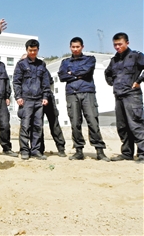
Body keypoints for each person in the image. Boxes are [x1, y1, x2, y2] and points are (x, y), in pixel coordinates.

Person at [58, 37, 109, 162]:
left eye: (78, 47)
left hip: (87, 93)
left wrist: (71, 74)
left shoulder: (90, 59)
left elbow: (87, 71)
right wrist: (76, 74)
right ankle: (78, 150)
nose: (75, 49)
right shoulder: (65, 62)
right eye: (73, 47)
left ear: (82, 47)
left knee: (92, 121)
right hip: (71, 94)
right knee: (75, 123)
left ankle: (100, 151)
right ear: (70, 47)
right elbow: (62, 76)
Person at [104, 32, 144, 163]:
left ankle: (143, 154)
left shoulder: (136, 56)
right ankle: (127, 153)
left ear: (127, 43)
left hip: (132, 95)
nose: (117, 47)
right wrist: (112, 83)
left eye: (120, 44)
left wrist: (139, 81)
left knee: (136, 124)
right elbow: (107, 73)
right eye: (115, 45)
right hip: (119, 96)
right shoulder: (114, 59)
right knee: (122, 126)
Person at [13, 39, 50, 160]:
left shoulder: (42, 65)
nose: (33, 52)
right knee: (25, 126)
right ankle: (24, 150)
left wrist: (45, 97)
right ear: (26, 50)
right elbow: (16, 81)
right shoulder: (21, 64)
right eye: (30, 50)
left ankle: (36, 150)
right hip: (26, 100)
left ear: (38, 50)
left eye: (35, 50)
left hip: (39, 100)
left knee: (38, 126)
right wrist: (18, 96)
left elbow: (45, 82)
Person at [40, 70, 67, 157]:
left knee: (54, 123)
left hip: (49, 99)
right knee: (37, 125)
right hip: (35, 99)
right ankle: (40, 149)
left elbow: (50, 82)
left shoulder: (42, 68)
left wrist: (49, 94)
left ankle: (61, 147)